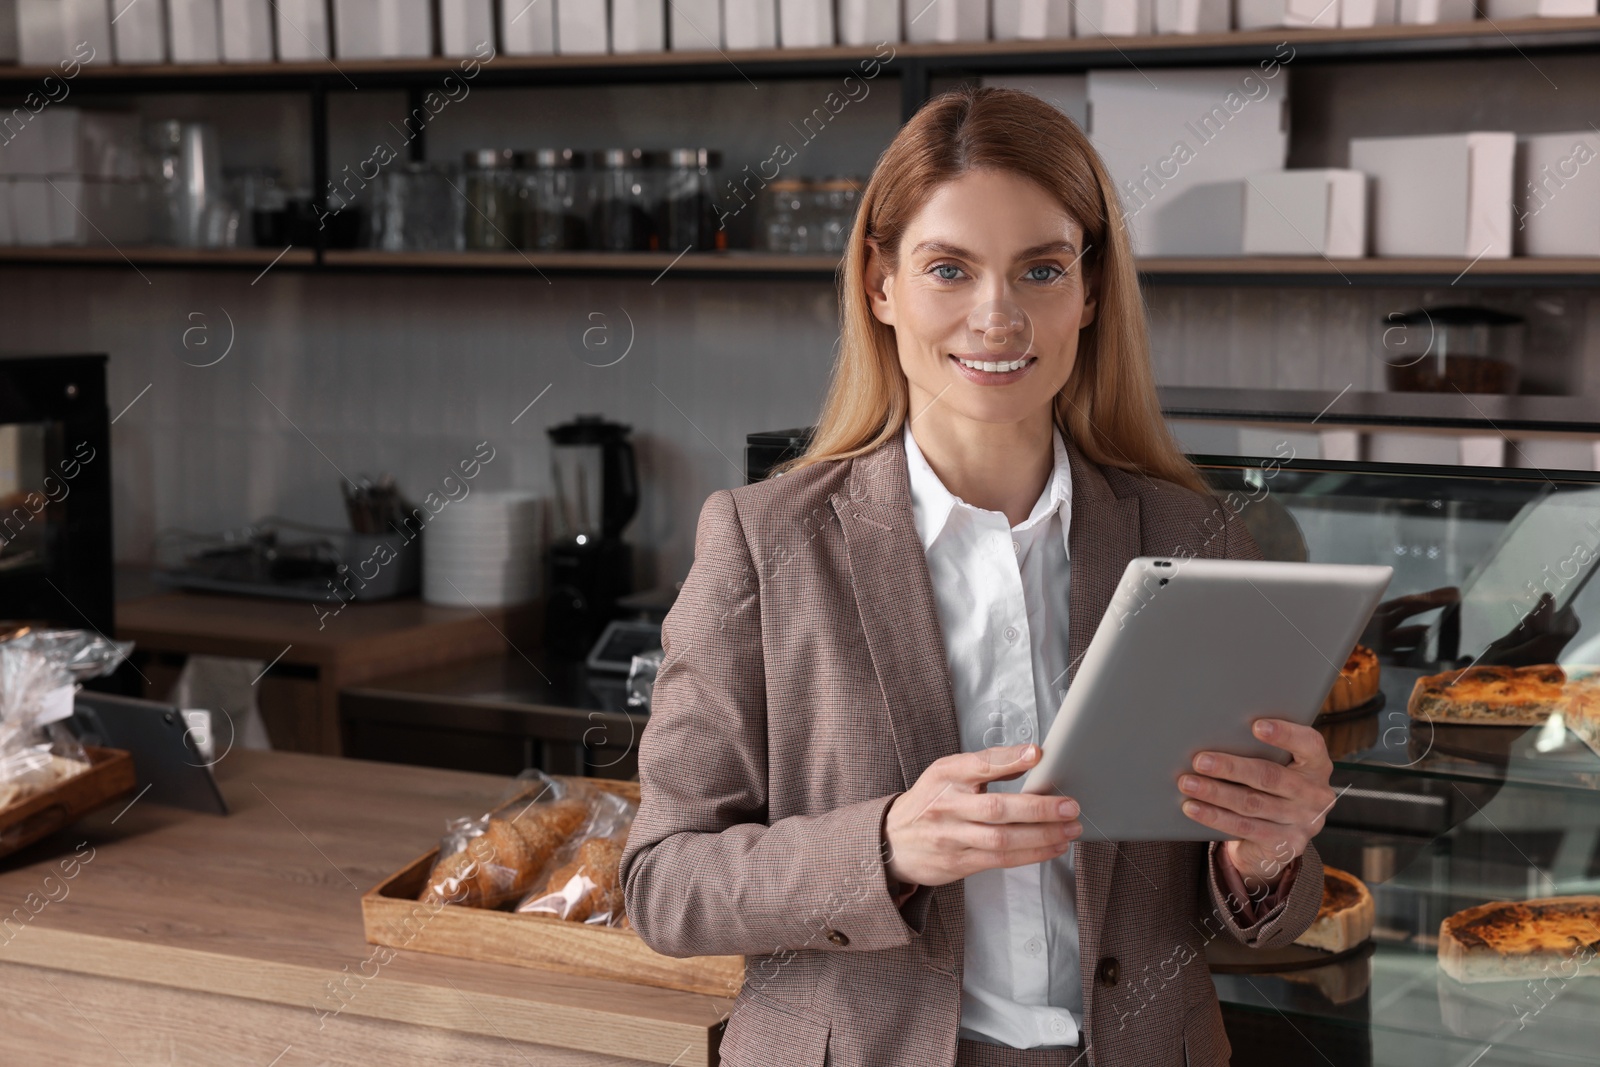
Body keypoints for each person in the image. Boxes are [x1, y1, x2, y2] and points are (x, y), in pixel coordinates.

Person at [619, 85, 1333, 1067]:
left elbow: (1263, 912)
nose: (996, 315)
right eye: (948, 268)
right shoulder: (758, 542)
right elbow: (663, 882)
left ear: (1087, 291)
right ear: (881, 284)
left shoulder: (1195, 537)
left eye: (1040, 268)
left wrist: (1265, 853)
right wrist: (884, 847)